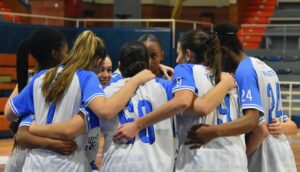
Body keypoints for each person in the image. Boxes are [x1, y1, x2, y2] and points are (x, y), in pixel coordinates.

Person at [4, 30, 154, 172]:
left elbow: (10, 114)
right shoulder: (87, 79)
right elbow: (105, 111)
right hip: (66, 165)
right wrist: (136, 80)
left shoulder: (41, 76)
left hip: (33, 165)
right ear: (98, 62)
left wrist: (34, 128)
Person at [113, 30, 238, 171]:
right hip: (234, 158)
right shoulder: (226, 77)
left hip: (199, 159)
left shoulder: (183, 71)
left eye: (179, 53)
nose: (177, 59)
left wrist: (137, 125)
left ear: (188, 54)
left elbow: (187, 102)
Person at [186, 23, 297, 172]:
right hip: (283, 154)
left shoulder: (244, 71)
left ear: (224, 51)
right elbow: (280, 119)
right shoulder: (265, 67)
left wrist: (213, 132)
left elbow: (258, 126)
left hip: (264, 157)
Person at [4, 27, 75, 172]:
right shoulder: (50, 80)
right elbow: (12, 119)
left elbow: (9, 114)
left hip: (26, 157)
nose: (68, 55)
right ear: (55, 53)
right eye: (66, 51)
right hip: (32, 157)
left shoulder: (33, 79)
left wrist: (23, 82)